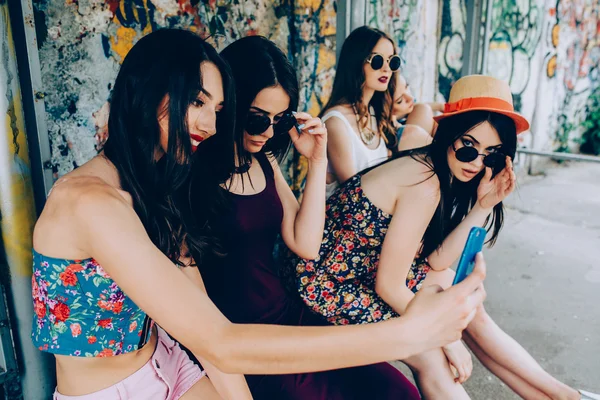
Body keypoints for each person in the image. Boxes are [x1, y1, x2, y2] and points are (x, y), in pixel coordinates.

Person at [31, 29, 487, 399]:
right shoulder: (88, 202)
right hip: (117, 389)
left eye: (218, 109)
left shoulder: (154, 188)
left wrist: (317, 161)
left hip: (172, 362)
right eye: (196, 101)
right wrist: (410, 334)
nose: (210, 125)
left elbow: (208, 329)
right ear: (147, 92)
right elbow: (220, 341)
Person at [289, 75, 596, 400]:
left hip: (360, 270)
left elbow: (437, 260)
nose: (477, 163)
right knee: (435, 358)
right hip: (326, 283)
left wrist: (482, 205)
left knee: (465, 296)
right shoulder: (425, 180)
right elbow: (389, 287)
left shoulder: (439, 171)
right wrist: (446, 337)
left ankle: (564, 397)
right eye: (468, 148)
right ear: (449, 135)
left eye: (490, 155)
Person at [197, 34, 419, 399]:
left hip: (288, 316)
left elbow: (306, 243)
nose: (268, 133)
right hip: (245, 339)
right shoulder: (195, 169)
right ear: (231, 104)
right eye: (256, 119)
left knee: (397, 391)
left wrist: (317, 161)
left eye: (279, 120)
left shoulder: (264, 160)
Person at [320, 26, 399, 198]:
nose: (386, 69)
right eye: (377, 61)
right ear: (356, 62)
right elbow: (353, 192)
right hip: (342, 219)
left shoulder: (374, 112)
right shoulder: (335, 122)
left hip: (375, 213)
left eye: (392, 61)